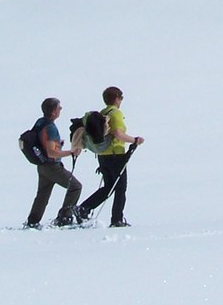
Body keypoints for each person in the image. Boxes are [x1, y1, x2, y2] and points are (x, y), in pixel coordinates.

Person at [77, 86, 144, 227]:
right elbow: (118, 133)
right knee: (120, 188)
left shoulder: (103, 113)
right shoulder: (115, 114)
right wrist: (135, 140)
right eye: (121, 98)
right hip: (116, 155)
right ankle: (117, 219)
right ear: (117, 98)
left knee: (109, 187)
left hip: (102, 156)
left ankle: (84, 208)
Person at [25, 97, 83, 228]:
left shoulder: (40, 122)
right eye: (59, 108)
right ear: (53, 112)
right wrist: (71, 152)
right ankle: (65, 217)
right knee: (75, 186)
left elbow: (42, 142)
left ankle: (33, 221)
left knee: (42, 195)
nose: (60, 110)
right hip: (52, 166)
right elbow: (51, 152)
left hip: (42, 166)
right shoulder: (50, 127)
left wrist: (58, 145)